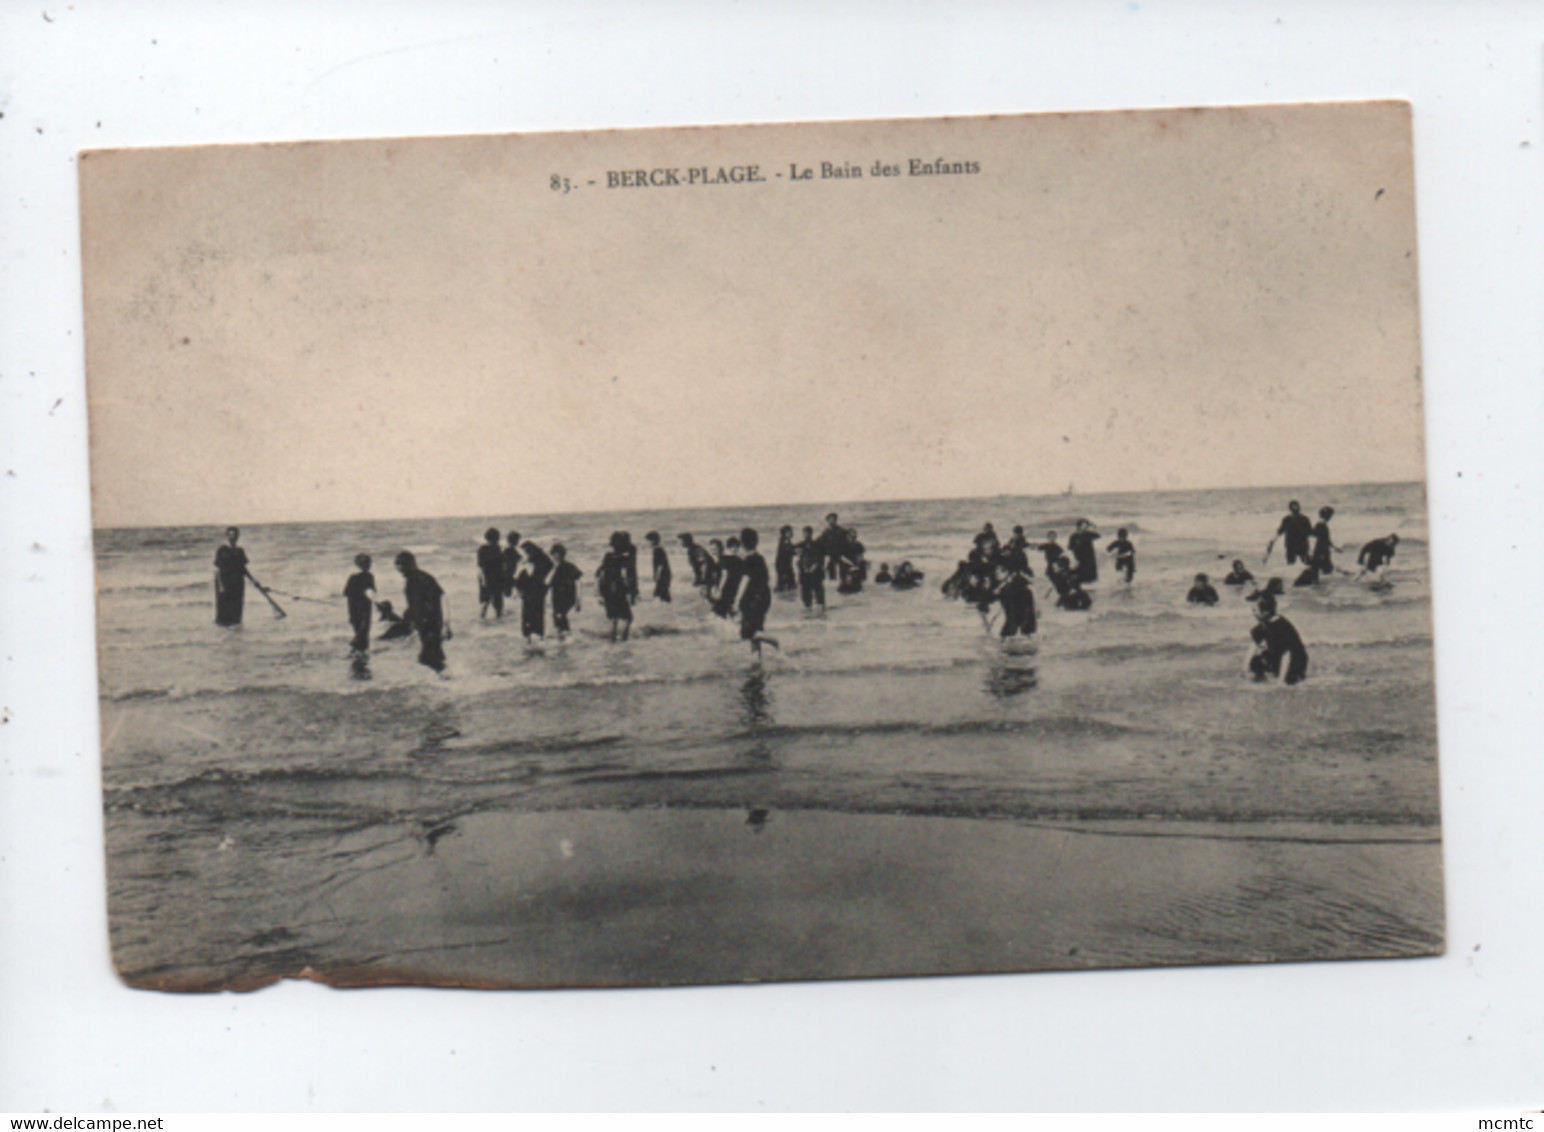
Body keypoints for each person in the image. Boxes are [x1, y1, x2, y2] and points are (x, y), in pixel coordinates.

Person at [395, 550, 448, 673]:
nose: (399, 569)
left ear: (411, 564)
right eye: (397, 565)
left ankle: (448, 681)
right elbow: (416, 603)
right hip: (423, 625)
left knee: (428, 657)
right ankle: (447, 679)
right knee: (432, 656)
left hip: (432, 624)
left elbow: (443, 598)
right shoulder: (411, 580)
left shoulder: (423, 579)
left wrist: (446, 624)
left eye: (402, 565)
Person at [734, 528, 780, 660]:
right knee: (756, 628)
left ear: (742, 543)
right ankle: (757, 660)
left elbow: (745, 580)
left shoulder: (749, 560)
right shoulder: (759, 558)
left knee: (747, 633)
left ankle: (773, 640)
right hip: (763, 596)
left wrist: (737, 600)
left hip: (752, 598)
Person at [1248, 604, 1309, 685]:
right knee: (1256, 662)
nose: (1253, 614)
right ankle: (1265, 680)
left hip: (1295, 660)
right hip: (1279, 656)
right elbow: (1254, 645)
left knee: (1289, 681)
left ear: (1266, 612)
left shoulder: (1281, 627)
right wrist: (1245, 670)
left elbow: (1287, 654)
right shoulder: (1264, 625)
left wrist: (1281, 680)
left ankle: (1288, 678)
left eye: (1255, 611)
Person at [596, 533, 634, 642]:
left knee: (613, 618)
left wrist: (599, 593)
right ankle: (623, 640)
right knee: (628, 618)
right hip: (619, 590)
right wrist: (630, 592)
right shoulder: (625, 559)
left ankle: (612, 641)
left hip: (607, 590)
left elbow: (599, 573)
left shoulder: (607, 556)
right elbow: (625, 576)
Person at [514, 540, 554, 643]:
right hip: (528, 593)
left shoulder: (542, 561)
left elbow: (550, 571)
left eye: (526, 552)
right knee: (529, 616)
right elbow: (517, 580)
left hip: (537, 592)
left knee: (536, 616)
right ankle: (531, 639)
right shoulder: (528, 563)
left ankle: (536, 638)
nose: (524, 555)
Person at [213, 526, 251, 626]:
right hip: (225, 582)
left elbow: (243, 569)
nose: (232, 538)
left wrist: (254, 581)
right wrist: (220, 585)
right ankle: (223, 629)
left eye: (235, 535)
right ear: (227, 536)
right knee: (223, 609)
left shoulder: (240, 551)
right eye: (230, 535)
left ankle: (235, 630)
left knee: (237, 609)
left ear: (237, 537)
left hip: (238, 583)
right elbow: (217, 570)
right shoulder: (222, 550)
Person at [343, 553, 378, 656]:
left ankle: (357, 650)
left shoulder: (355, 577)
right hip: (362, 606)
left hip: (359, 606)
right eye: (366, 563)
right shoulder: (368, 576)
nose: (368, 565)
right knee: (363, 628)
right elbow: (372, 592)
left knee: (361, 628)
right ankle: (358, 650)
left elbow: (346, 593)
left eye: (368, 563)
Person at [995, 560, 1037, 638]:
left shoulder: (1015, 583)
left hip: (1022, 608)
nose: (996, 576)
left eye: (998, 573)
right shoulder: (1003, 585)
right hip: (1017, 610)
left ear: (1006, 572)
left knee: (1023, 627)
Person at [548, 543, 582, 638]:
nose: (554, 556)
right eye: (553, 554)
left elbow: (578, 581)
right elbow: (546, 582)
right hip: (556, 596)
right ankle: (563, 638)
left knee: (560, 615)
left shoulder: (569, 566)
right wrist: (554, 569)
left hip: (567, 595)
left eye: (556, 554)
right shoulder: (552, 568)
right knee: (556, 616)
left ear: (562, 554)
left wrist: (578, 599)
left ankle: (566, 637)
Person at [1265, 500, 1313, 566]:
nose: (1295, 510)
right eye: (1294, 507)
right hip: (1295, 545)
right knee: (1299, 562)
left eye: (1296, 507)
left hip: (1298, 545)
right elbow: (1310, 532)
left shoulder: (1289, 519)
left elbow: (1280, 532)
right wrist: (1272, 541)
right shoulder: (1301, 519)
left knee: (1297, 563)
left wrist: (1273, 541)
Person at [713, 536, 746, 618]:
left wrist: (718, 589)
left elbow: (724, 576)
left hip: (727, 589)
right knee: (730, 612)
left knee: (719, 612)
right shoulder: (739, 560)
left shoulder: (723, 559)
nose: (737, 550)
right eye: (737, 548)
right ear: (733, 547)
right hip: (734, 589)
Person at [796, 526, 826, 612]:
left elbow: (820, 558)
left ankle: (820, 608)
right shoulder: (800, 545)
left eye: (808, 533)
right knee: (805, 592)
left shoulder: (817, 545)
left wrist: (814, 566)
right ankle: (808, 608)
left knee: (818, 591)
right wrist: (803, 568)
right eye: (805, 533)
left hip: (816, 571)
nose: (806, 535)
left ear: (811, 534)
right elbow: (797, 559)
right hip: (804, 572)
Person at [477, 528, 504, 620]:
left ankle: (484, 619)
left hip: (492, 576)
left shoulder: (491, 548)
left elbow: (480, 565)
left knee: (488, 600)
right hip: (489, 576)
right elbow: (481, 566)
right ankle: (487, 618)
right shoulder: (490, 549)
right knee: (490, 600)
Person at [1309, 506, 1342, 576]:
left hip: (1320, 548)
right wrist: (1335, 548)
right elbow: (1323, 538)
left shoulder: (1321, 524)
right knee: (1325, 568)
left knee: (1320, 567)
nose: (1331, 517)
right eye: (1330, 515)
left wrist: (1334, 548)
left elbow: (1315, 534)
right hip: (1322, 549)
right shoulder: (1321, 525)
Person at [1067, 518, 1102, 584]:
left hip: (1089, 557)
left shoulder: (1088, 534)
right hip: (1079, 558)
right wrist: (1073, 559)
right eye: (1084, 526)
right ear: (1079, 526)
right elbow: (1070, 548)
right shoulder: (1074, 536)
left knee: (1091, 577)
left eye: (1087, 526)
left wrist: (1094, 527)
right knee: (1080, 575)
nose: (1086, 527)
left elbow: (1098, 536)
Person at [646, 531, 672, 602]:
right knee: (662, 593)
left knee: (661, 594)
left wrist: (657, 575)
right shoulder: (659, 549)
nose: (647, 543)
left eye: (648, 541)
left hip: (663, 575)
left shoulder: (657, 550)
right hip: (664, 574)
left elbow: (660, 565)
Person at [774, 526, 798, 593]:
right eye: (789, 532)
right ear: (785, 533)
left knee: (787, 583)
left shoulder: (785, 541)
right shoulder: (784, 542)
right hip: (783, 565)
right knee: (785, 583)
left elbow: (791, 548)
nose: (791, 533)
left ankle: (783, 596)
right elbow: (790, 550)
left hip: (785, 565)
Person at [500, 530, 523, 599]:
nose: (518, 542)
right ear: (514, 541)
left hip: (508, 574)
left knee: (508, 592)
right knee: (509, 592)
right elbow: (520, 559)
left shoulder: (509, 549)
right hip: (508, 574)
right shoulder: (510, 550)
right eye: (517, 540)